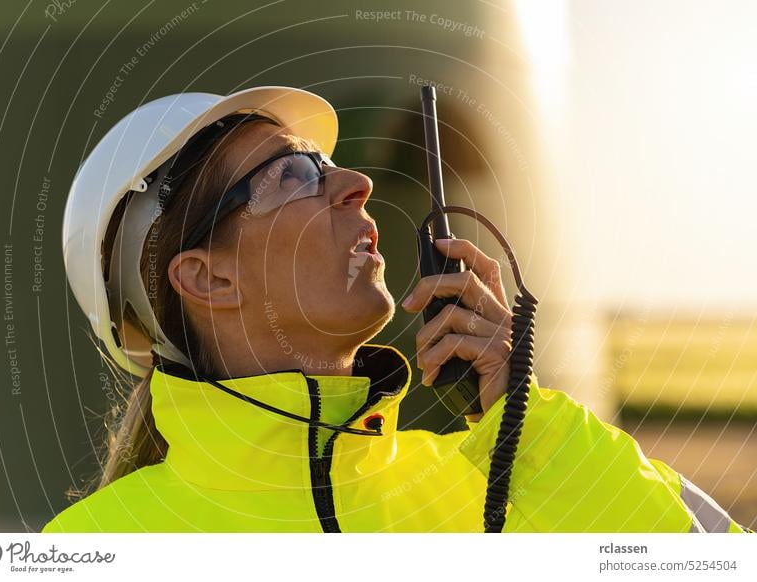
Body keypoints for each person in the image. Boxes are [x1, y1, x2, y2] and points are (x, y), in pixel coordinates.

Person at [43, 87, 751, 533]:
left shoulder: (499, 481)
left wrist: (524, 419)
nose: (357, 181)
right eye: (292, 174)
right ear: (209, 279)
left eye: (326, 164)